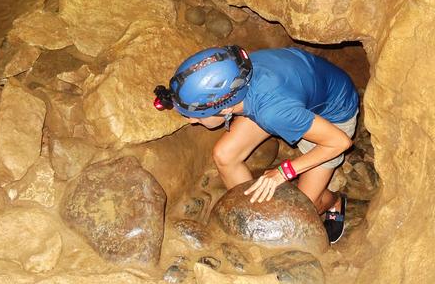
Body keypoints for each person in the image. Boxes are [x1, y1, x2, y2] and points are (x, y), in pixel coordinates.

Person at [153, 45, 359, 244]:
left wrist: (282, 172)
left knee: (306, 208)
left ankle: (334, 201)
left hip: (333, 117)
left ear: (225, 109)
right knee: (225, 155)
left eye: (197, 117)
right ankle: (256, 214)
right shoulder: (237, 74)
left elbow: (339, 142)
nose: (192, 121)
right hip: (289, 94)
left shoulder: (273, 112)